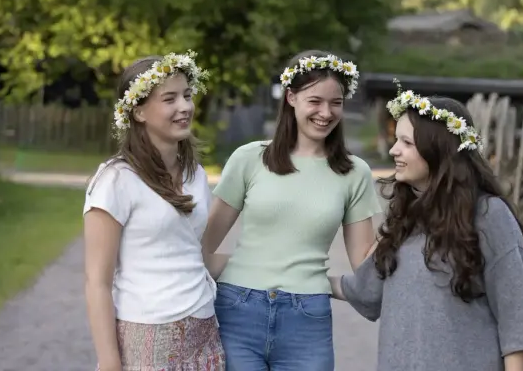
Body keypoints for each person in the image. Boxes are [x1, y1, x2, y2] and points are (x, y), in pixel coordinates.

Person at [329, 86, 523, 371]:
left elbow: (517, 322)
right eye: (396, 140)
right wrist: (298, 278)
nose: (393, 150)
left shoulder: (488, 215)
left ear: (438, 150)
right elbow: (364, 288)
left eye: (407, 143)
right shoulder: (405, 220)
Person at [201, 50, 382, 370]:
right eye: (315, 101)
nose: (326, 112)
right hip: (237, 311)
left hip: (307, 320)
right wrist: (246, 267)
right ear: (291, 98)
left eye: (335, 103)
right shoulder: (248, 159)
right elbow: (202, 246)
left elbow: (364, 263)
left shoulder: (355, 173)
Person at [83, 51, 225, 371]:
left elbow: (197, 253)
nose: (185, 107)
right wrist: (109, 361)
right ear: (139, 111)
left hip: (205, 331)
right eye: (170, 98)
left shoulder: (196, 175)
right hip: (147, 335)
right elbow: (97, 281)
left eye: (187, 96)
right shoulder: (116, 180)